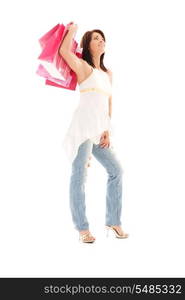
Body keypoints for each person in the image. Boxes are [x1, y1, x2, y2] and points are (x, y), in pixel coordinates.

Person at [59, 23, 128, 243]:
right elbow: (63, 51)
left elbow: (108, 103)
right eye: (96, 38)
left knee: (116, 170)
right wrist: (73, 29)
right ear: (88, 45)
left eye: (102, 38)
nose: (101, 41)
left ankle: (113, 221)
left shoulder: (108, 74)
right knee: (79, 176)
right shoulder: (83, 67)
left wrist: (106, 129)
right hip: (83, 130)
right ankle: (82, 228)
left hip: (99, 130)